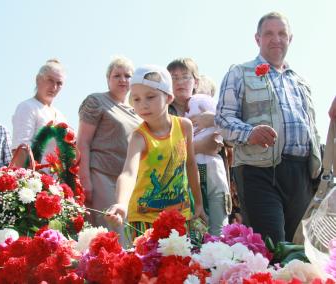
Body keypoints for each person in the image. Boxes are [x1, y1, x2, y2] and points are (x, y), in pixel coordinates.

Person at [215, 12, 321, 243]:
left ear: (290, 39)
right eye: (269, 33)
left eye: (282, 33)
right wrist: (249, 133)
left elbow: (313, 129)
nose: (276, 39)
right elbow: (223, 119)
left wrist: (320, 169)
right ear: (257, 39)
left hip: (301, 174)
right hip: (259, 171)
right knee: (271, 246)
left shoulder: (301, 81)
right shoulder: (239, 72)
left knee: (299, 249)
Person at [106, 65, 206, 241]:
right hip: (144, 219)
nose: (143, 105)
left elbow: (190, 164)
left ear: (168, 97)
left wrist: (198, 203)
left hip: (180, 215)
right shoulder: (139, 137)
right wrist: (121, 203)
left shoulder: (184, 126)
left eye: (150, 97)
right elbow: (129, 173)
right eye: (136, 99)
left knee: (183, 264)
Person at [77, 56, 142, 244]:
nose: (123, 80)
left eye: (128, 76)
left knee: (130, 238)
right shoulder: (96, 101)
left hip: (129, 183)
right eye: (117, 75)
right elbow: (83, 142)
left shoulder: (136, 111)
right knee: (110, 234)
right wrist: (85, 181)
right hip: (102, 177)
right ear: (108, 79)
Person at [185, 94, 230, 235]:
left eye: (185, 76)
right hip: (186, 176)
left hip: (216, 171)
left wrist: (214, 119)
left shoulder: (203, 100)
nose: (180, 82)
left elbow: (231, 138)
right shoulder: (167, 109)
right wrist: (197, 146)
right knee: (195, 233)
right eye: (175, 77)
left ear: (195, 80)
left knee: (219, 231)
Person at [12, 59, 67, 160]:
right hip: (34, 174)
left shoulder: (61, 116)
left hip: (57, 175)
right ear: (38, 79)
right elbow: (21, 148)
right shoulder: (27, 107)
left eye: (59, 83)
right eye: (50, 80)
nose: (54, 87)